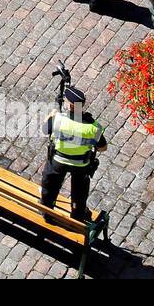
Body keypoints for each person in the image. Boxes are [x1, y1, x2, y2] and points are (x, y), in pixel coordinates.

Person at [40, 86, 107, 221]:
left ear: (70, 105)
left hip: (58, 161)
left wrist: (51, 114)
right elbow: (102, 148)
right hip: (81, 165)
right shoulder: (93, 127)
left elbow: (44, 130)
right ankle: (78, 213)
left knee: (50, 185)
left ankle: (47, 209)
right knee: (80, 192)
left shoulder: (58, 119)